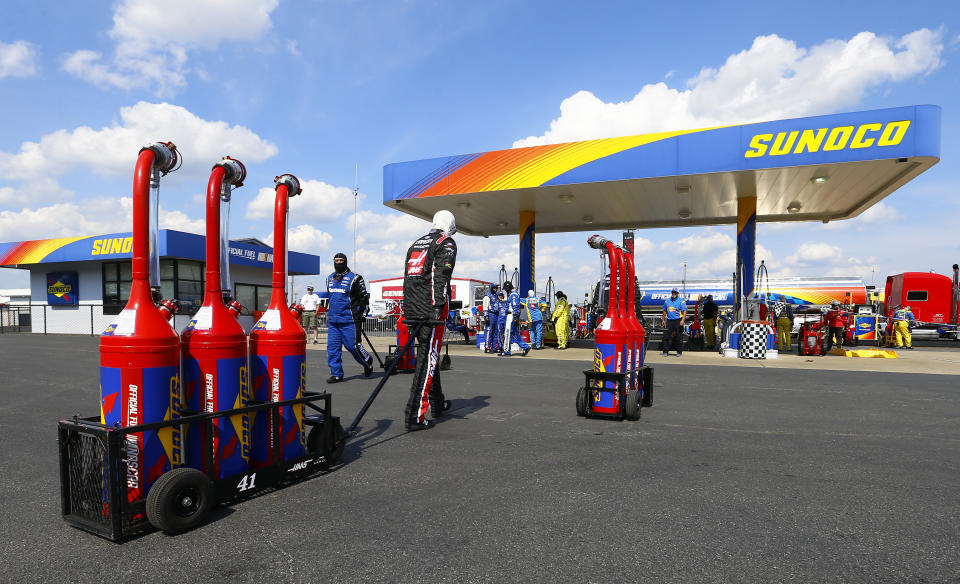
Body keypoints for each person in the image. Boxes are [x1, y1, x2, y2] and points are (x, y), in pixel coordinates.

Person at [402, 210, 458, 431]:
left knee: (426, 354)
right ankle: (415, 415)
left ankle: (437, 402)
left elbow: (408, 278)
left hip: (413, 308)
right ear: (450, 224)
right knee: (428, 360)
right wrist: (437, 307)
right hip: (431, 310)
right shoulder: (446, 242)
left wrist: (408, 309)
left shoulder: (416, 243)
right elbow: (441, 276)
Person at [319, 253, 373, 383]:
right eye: (336, 260)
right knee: (332, 349)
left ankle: (367, 361)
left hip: (350, 320)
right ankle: (337, 374)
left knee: (353, 346)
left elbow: (364, 299)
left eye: (341, 260)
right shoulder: (329, 278)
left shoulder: (355, 278)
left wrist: (363, 314)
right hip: (333, 320)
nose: (338, 262)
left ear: (346, 261)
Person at [501, 282, 531, 356]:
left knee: (507, 333)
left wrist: (515, 317)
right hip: (512, 316)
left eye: (506, 289)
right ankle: (525, 346)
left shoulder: (513, 295)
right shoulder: (514, 294)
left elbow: (515, 306)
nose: (505, 291)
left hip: (511, 316)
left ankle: (506, 351)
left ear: (508, 288)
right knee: (514, 334)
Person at [661, 289, 687, 357]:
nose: (674, 294)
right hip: (669, 320)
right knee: (666, 336)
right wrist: (663, 320)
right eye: (673, 292)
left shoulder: (681, 301)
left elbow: (684, 311)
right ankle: (665, 351)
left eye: (675, 293)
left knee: (679, 337)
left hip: (678, 320)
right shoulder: (667, 300)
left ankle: (679, 351)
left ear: (678, 293)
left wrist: (682, 320)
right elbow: (664, 310)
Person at [484, 284, 500, 353]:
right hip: (490, 314)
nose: (496, 289)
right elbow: (485, 306)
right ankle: (487, 347)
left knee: (496, 332)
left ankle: (494, 347)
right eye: (494, 288)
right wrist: (486, 316)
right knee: (489, 331)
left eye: (496, 288)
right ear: (491, 288)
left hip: (496, 315)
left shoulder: (496, 296)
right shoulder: (487, 296)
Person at [496, 290, 508, 354]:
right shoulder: (496, 303)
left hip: (505, 320)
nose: (500, 297)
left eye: (501, 295)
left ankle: (505, 346)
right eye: (499, 295)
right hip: (499, 320)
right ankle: (501, 346)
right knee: (500, 333)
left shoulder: (505, 303)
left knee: (505, 333)